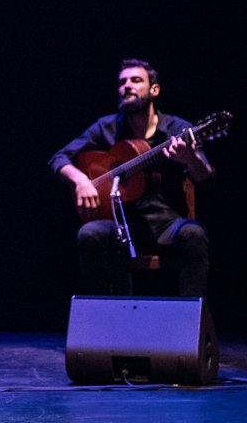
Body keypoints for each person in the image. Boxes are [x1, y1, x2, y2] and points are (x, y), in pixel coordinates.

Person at [49, 59, 213, 297]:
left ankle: (191, 315)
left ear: (154, 89)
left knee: (195, 235)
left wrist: (189, 158)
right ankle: (103, 313)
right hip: (121, 223)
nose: (126, 86)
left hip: (165, 222)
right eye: (122, 82)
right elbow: (59, 158)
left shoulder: (178, 129)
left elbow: (204, 175)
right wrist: (81, 181)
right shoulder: (106, 127)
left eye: (136, 80)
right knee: (89, 234)